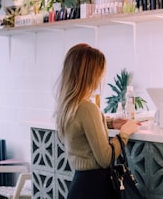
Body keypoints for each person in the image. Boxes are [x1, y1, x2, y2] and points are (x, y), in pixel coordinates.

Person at [55, 43, 139, 199]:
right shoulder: (87, 108)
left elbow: (81, 127)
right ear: (91, 74)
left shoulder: (68, 106)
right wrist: (124, 133)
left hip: (79, 186)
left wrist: (109, 123)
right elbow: (105, 158)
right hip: (95, 188)